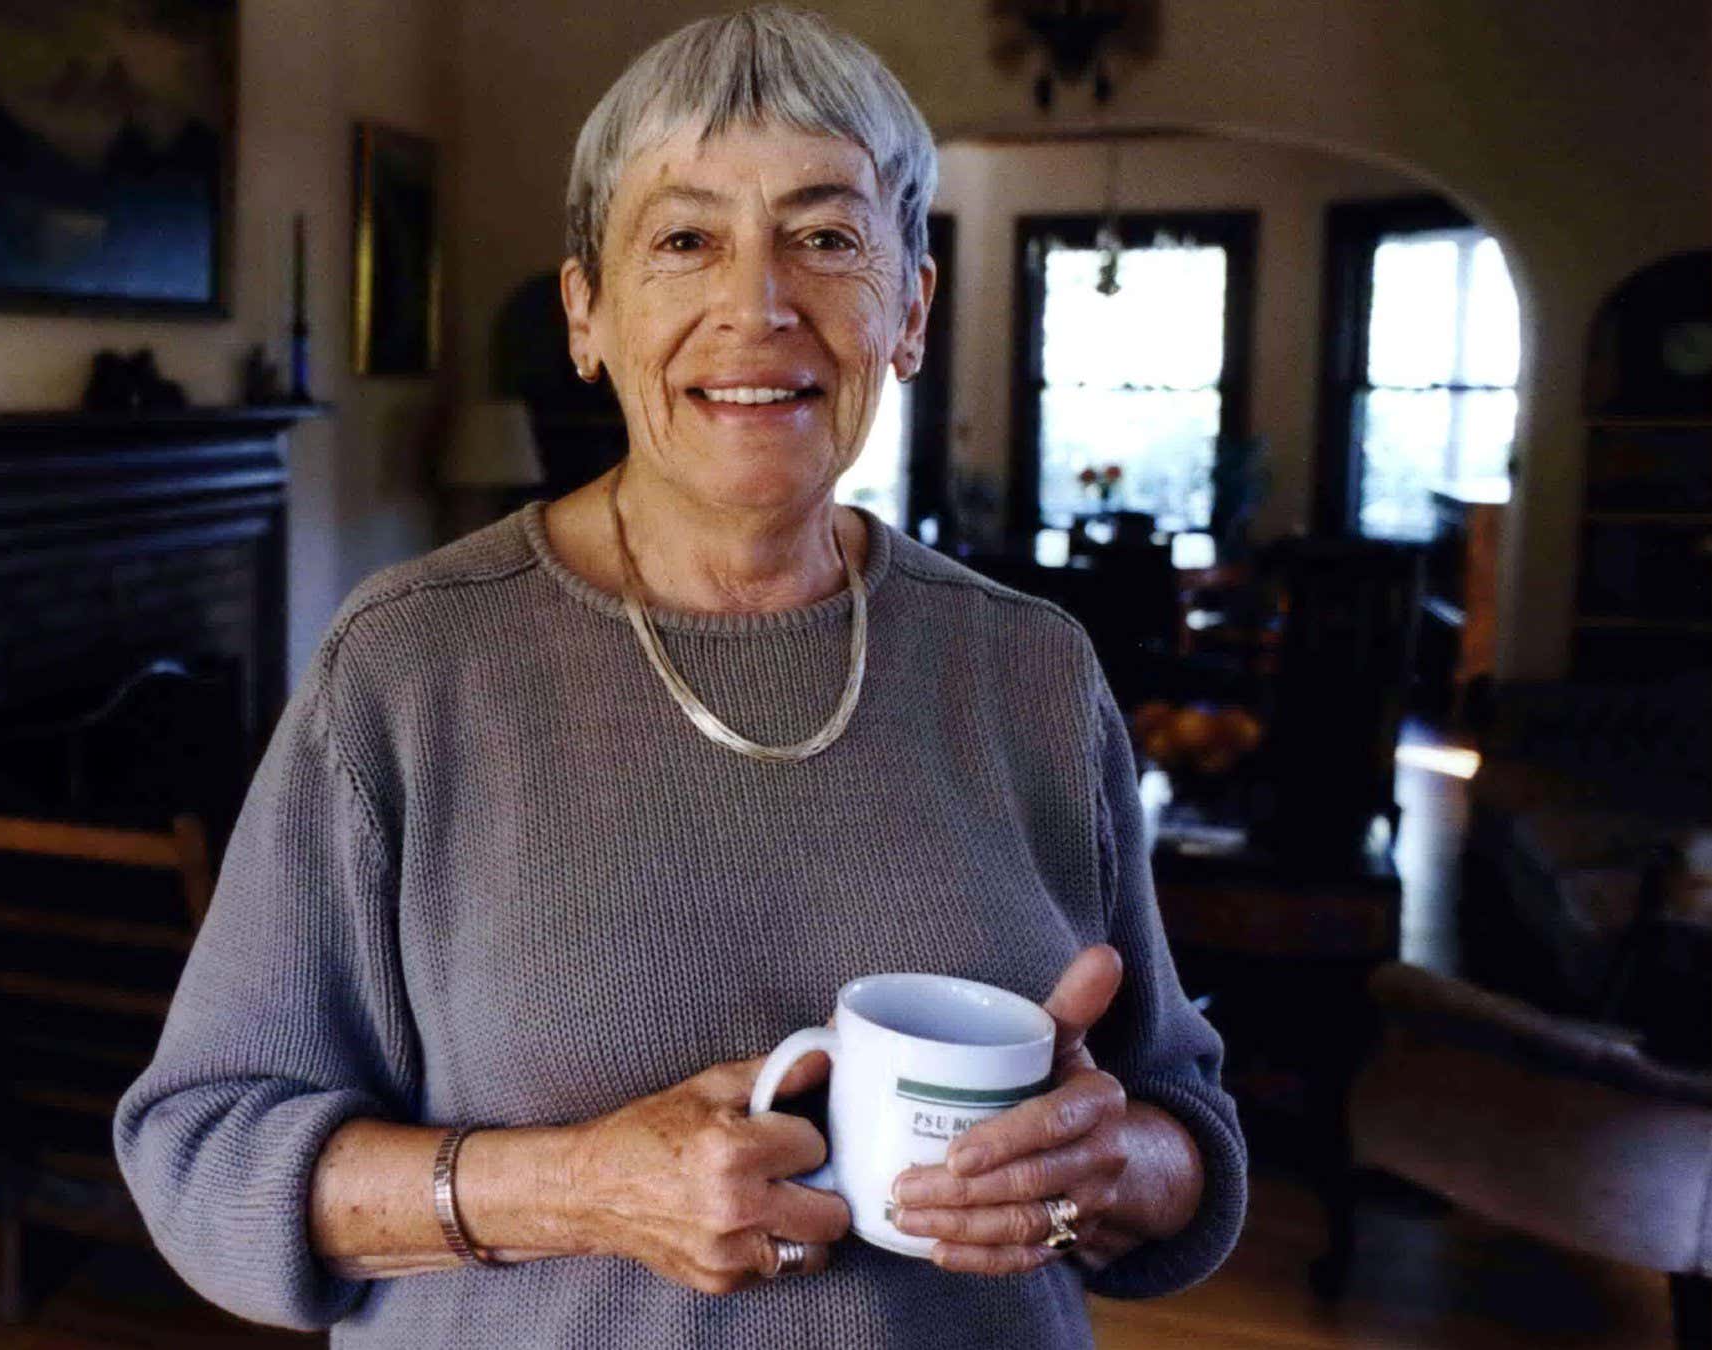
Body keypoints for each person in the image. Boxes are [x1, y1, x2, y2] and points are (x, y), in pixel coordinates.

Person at [114, 8, 1246, 1346]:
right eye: (684, 240)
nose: (756, 306)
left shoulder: (1031, 667)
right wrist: (581, 1189)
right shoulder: (410, 665)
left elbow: (1182, 1121)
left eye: (827, 238)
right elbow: (202, 1153)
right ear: (586, 313)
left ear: (910, 310)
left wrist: (1109, 1169)